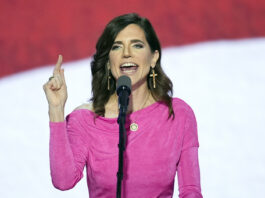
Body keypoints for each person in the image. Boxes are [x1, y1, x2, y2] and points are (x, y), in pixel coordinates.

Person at [43, 13, 203, 198]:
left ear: (153, 58)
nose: (127, 53)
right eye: (117, 47)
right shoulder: (85, 119)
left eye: (137, 45)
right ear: (109, 62)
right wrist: (56, 110)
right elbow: (63, 181)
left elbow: (191, 191)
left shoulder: (177, 114)